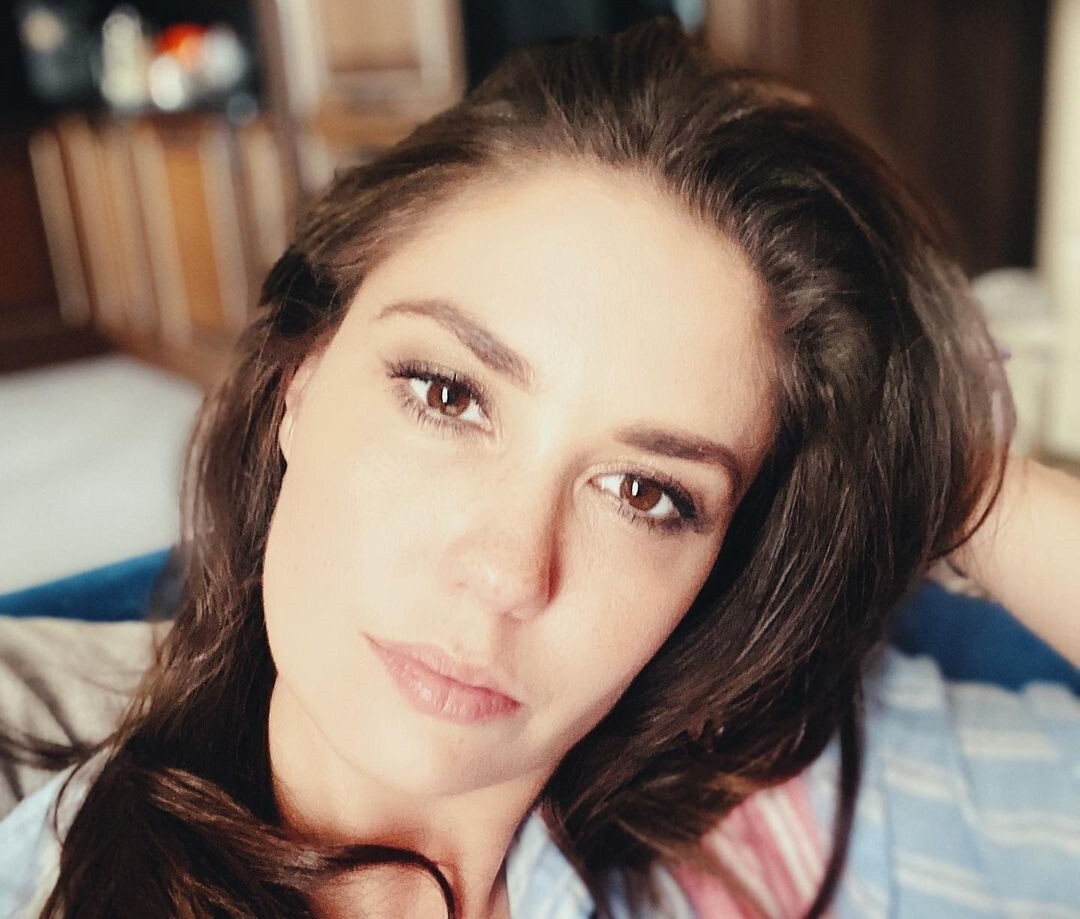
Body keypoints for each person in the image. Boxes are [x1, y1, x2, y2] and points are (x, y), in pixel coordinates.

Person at [1, 17, 1078, 919]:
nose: (506, 571)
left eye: (645, 492)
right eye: (446, 394)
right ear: (302, 377)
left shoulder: (789, 823)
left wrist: (953, 478)